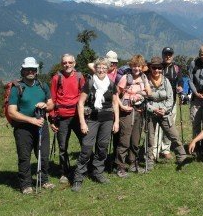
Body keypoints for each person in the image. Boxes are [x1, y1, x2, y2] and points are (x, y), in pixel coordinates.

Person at [6, 57, 55, 194]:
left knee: (44, 155)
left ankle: (44, 180)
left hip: (41, 125)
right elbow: (12, 112)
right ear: (23, 71)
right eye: (27, 69)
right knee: (24, 157)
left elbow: (51, 104)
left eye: (33, 69)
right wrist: (30, 120)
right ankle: (26, 184)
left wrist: (45, 105)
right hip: (23, 128)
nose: (30, 72)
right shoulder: (17, 88)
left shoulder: (42, 85)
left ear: (36, 71)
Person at [71, 57, 120, 191]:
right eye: (99, 67)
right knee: (86, 148)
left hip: (108, 119)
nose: (102, 70)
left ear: (108, 69)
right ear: (95, 68)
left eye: (105, 68)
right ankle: (78, 177)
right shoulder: (90, 82)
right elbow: (80, 103)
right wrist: (82, 122)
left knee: (102, 147)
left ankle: (98, 172)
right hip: (92, 118)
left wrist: (116, 122)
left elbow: (115, 103)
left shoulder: (111, 84)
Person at [145, 56, 189, 170]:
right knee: (150, 138)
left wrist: (164, 109)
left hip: (165, 113)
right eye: (154, 68)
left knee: (174, 136)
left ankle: (182, 157)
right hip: (151, 113)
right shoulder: (145, 80)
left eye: (159, 68)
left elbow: (170, 98)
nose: (157, 70)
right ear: (150, 68)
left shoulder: (166, 81)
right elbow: (143, 99)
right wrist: (153, 109)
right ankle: (149, 160)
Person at [49, 53, 85, 184]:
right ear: (61, 64)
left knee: (85, 143)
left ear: (74, 63)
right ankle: (64, 172)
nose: (67, 65)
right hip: (62, 118)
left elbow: (84, 96)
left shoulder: (80, 77)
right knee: (63, 147)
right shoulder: (56, 78)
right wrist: (52, 119)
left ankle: (84, 168)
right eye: (65, 63)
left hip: (77, 116)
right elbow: (52, 99)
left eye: (70, 62)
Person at [115, 54, 152, 177]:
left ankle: (133, 164)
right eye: (134, 66)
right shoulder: (126, 78)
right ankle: (120, 167)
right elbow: (115, 94)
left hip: (139, 111)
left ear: (142, 67)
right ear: (131, 66)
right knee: (125, 140)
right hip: (127, 112)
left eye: (139, 66)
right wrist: (121, 106)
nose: (136, 68)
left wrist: (139, 92)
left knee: (135, 140)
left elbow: (149, 92)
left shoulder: (144, 77)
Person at [153, 47, 183, 160]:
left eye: (170, 54)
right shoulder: (157, 67)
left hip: (171, 102)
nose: (168, 56)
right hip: (157, 102)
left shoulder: (176, 68)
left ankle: (165, 150)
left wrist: (180, 86)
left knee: (169, 127)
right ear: (162, 55)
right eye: (166, 54)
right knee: (156, 128)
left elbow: (180, 80)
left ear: (173, 55)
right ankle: (154, 150)